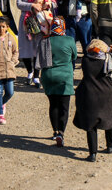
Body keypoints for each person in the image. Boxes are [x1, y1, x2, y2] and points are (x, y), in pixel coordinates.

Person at [73, 39, 112, 161]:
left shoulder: (85, 60)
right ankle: (110, 145)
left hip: (89, 94)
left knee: (90, 125)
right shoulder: (107, 59)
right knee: (110, 119)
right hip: (107, 94)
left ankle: (92, 153)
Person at [16, 0, 56, 87]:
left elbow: (53, 1)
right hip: (26, 21)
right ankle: (29, 71)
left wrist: (47, 4)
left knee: (39, 47)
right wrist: (31, 6)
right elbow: (18, 3)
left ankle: (37, 75)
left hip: (40, 20)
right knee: (26, 47)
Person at [40, 18, 77, 147]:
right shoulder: (69, 40)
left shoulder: (45, 41)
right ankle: (61, 132)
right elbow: (74, 57)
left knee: (53, 104)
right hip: (64, 77)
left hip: (48, 76)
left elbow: (41, 59)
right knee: (64, 107)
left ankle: (55, 131)